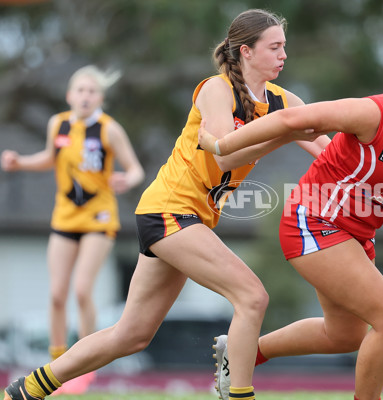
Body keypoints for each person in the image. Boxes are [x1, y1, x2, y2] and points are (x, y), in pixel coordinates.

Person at [2, 9, 329, 400]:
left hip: (189, 218)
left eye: (284, 47)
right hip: (170, 209)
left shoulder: (281, 101)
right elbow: (226, 155)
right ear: (246, 51)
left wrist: (377, 165)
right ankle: (238, 393)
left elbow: (327, 149)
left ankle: (26, 389)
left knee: (132, 334)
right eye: (275, 47)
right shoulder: (216, 89)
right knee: (252, 296)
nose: (283, 55)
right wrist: (284, 132)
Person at [199, 32, 383, 400]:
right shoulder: (372, 113)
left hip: (357, 234)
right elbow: (293, 118)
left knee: (344, 336)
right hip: (313, 220)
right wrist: (222, 144)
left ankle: (244, 351)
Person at [1, 65, 145, 393]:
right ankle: (56, 364)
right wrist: (19, 162)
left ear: (101, 98)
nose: (85, 96)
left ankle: (83, 366)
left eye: (91, 91)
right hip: (65, 218)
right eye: (80, 90)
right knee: (56, 294)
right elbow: (49, 158)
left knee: (82, 290)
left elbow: (135, 169)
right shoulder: (59, 124)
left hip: (99, 218)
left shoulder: (109, 130)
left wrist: (127, 180)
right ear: (69, 96)